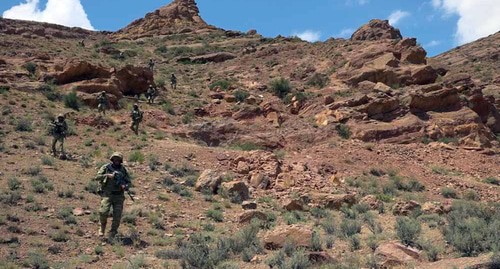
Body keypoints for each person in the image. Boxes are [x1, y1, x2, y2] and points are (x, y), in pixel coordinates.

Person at [94, 152, 131, 239]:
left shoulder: (123, 170)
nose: (116, 161)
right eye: (115, 159)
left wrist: (125, 186)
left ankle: (113, 232)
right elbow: (97, 177)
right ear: (112, 159)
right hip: (108, 194)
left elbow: (129, 182)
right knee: (103, 212)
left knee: (117, 216)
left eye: (118, 159)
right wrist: (107, 175)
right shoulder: (106, 167)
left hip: (119, 196)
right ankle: (102, 228)